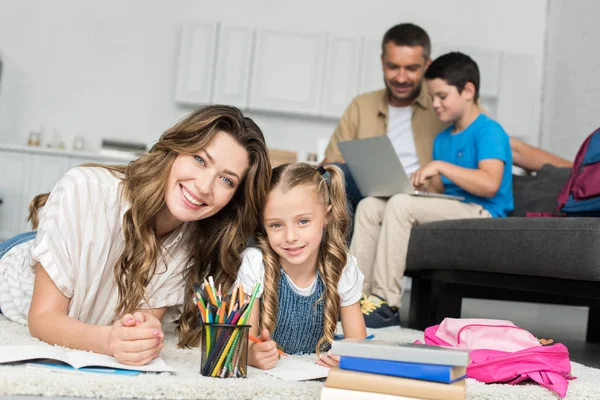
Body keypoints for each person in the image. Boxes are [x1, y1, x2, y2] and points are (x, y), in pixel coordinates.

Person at [0, 105, 272, 365]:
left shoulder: (192, 240)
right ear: (176, 150)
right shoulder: (83, 187)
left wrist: (142, 335)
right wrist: (108, 341)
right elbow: (43, 318)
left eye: (226, 180)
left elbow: (136, 323)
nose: (203, 186)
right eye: (200, 160)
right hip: (16, 264)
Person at [322, 23, 572, 214]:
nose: (400, 77)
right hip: (369, 196)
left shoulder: (447, 105)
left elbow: (508, 148)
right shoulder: (361, 106)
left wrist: (578, 170)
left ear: (426, 65)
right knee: (336, 180)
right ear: (382, 63)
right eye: (392, 67)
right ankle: (345, 279)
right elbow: (329, 164)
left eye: (411, 68)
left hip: (421, 196)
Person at [353, 52, 514, 328]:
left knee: (401, 205)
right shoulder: (442, 138)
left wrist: (440, 166)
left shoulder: (489, 130)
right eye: (432, 97)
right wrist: (421, 183)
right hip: (455, 205)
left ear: (468, 90)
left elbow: (490, 184)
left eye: (442, 96)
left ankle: (385, 302)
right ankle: (354, 298)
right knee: (370, 205)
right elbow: (443, 189)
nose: (435, 105)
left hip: (484, 211)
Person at [236, 163, 367, 370]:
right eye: (276, 225)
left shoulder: (341, 266)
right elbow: (244, 341)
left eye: (303, 221)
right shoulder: (255, 263)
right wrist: (252, 355)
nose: (290, 237)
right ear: (263, 225)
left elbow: (358, 344)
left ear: (327, 216)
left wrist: (347, 359)